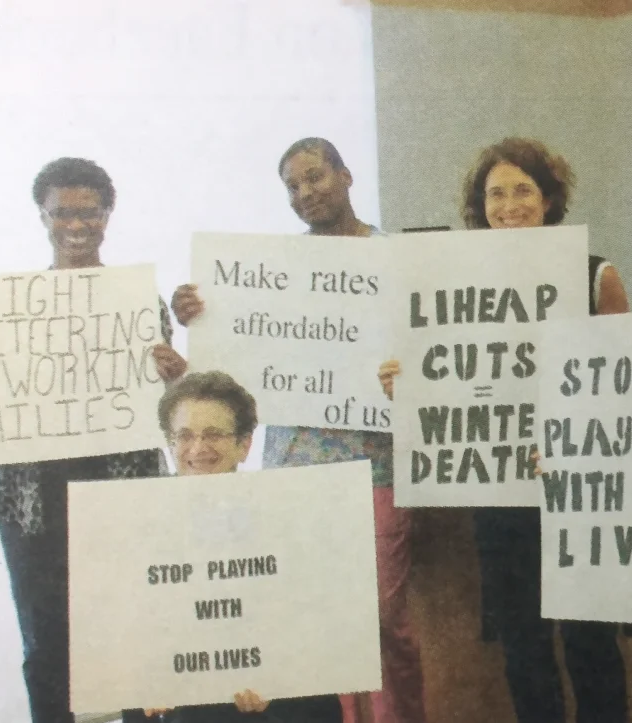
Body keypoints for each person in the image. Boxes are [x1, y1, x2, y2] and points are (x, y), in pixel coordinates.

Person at [0, 158, 189, 723]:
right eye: (63, 213)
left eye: (89, 212)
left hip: (122, 494)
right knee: (46, 648)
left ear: (109, 214)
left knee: (134, 638)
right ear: (42, 215)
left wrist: (177, 375)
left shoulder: (138, 300)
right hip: (30, 501)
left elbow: (165, 407)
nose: (76, 225)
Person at [171, 138, 427, 723]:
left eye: (315, 177)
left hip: (377, 469)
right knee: (310, 621)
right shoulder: (269, 272)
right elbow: (228, 363)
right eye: (292, 185)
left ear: (346, 175)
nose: (305, 192)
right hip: (291, 476)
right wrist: (197, 314)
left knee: (383, 622)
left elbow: (430, 352)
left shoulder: (398, 258)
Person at [379, 137, 630, 723]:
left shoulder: (596, 274)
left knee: (593, 641)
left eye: (523, 189)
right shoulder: (450, 284)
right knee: (523, 645)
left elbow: (620, 381)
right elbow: (438, 370)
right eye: (496, 193)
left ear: (549, 198)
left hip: (578, 486)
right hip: (502, 487)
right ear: (479, 205)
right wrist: (406, 383)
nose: (510, 204)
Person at [124, 370, 343, 723]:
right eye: (185, 436)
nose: (198, 449)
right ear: (170, 443)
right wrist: (147, 678)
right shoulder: (134, 523)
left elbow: (310, 629)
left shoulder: (288, 517)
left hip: (270, 695)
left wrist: (277, 679)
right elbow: (128, 629)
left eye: (213, 435)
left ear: (244, 445)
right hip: (176, 693)